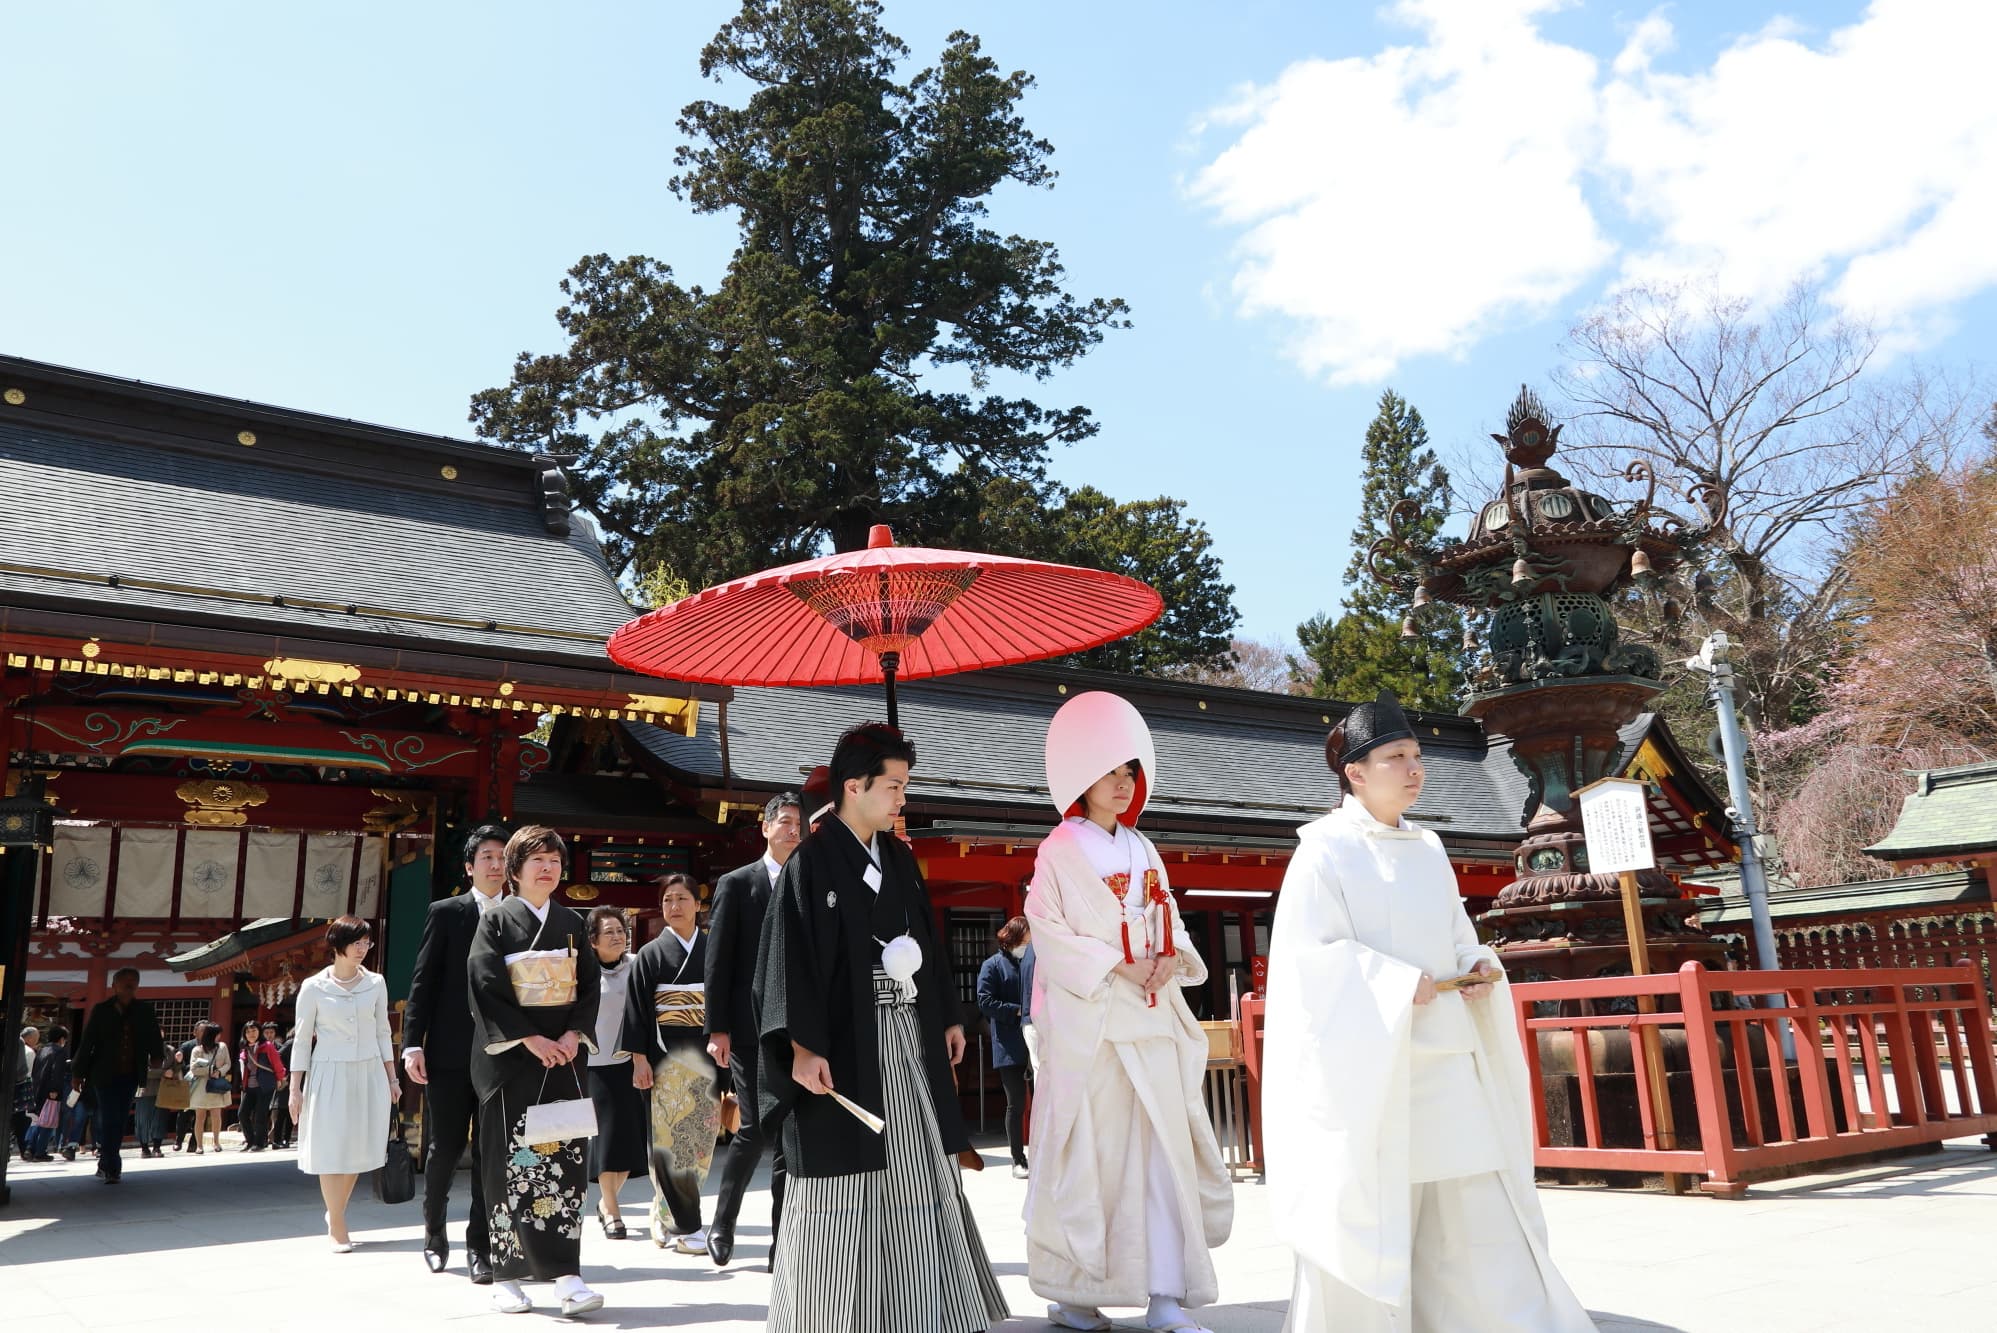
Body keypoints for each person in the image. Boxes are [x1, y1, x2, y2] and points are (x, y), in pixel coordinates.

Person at [1265, 691, 1595, 1332]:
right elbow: (1309, 959)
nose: (1414, 769)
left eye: (1417, 756)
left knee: (1474, 1203)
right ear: (1354, 772)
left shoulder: (1430, 846)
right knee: (1378, 1208)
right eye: (1396, 757)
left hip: (1443, 1051)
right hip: (1372, 1069)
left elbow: (1453, 930)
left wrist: (1475, 963)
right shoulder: (1323, 849)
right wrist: (1389, 982)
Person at [755, 722, 1009, 1333]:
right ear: (853, 786)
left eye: (904, 786)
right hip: (841, 1039)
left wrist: (945, 1013)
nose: (902, 799)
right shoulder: (811, 861)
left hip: (906, 1027)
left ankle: (924, 1308)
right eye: (893, 785)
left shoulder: (897, 856)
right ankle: (832, 1313)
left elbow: (925, 937)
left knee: (918, 1162)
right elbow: (788, 957)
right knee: (841, 1173)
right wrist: (802, 1045)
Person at [1024, 691, 1234, 1333]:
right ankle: (1077, 1294)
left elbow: (1166, 913)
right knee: (1095, 1157)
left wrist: (1170, 958)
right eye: (1112, 773)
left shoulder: (1143, 848)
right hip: (1096, 1032)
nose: (1123, 785)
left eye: (1129, 773)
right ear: (1081, 778)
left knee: (1160, 1157)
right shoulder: (1059, 848)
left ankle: (1166, 1293)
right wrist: (1117, 962)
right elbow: (1049, 930)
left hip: (1150, 1019)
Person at [466, 825, 604, 1318]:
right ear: (515, 868)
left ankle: (568, 1277)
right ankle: (507, 1275)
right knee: (510, 1165)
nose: (548, 868)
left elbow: (588, 986)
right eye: (537, 860)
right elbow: (485, 983)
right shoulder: (497, 922)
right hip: (514, 1062)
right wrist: (531, 1037)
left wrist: (570, 1036)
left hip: (565, 1060)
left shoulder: (571, 921)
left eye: (554, 860)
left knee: (564, 1166)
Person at [403, 824, 510, 1284]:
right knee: (445, 1148)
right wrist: (412, 1043)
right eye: (487, 856)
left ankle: (480, 1246)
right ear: (470, 867)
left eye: (503, 856)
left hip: (503, 1053)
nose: (496, 864)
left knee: (492, 1151)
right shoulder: (447, 913)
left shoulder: (521, 915)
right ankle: (432, 1232)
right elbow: (423, 981)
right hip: (449, 1050)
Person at [703, 790, 801, 1268]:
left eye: (797, 823)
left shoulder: (809, 881)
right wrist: (716, 1027)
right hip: (745, 1027)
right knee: (756, 1127)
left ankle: (783, 1240)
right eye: (783, 821)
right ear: (765, 828)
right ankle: (723, 1221)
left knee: (789, 1130)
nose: (791, 829)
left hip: (797, 1027)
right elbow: (717, 960)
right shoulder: (737, 883)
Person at [623, 872, 720, 1255]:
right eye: (667, 900)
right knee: (668, 1142)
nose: (674, 907)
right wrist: (639, 1060)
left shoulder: (713, 950)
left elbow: (726, 1004)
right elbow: (637, 1011)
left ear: (698, 904)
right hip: (664, 1057)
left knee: (700, 1143)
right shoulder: (650, 954)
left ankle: (663, 1210)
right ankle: (688, 1226)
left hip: (706, 1055)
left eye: (682, 899)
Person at [290, 915, 398, 1253]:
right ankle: (337, 1223)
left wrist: (392, 1077)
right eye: (357, 942)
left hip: (368, 1071)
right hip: (329, 1072)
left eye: (367, 942)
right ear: (337, 945)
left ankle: (335, 1211)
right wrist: (295, 1088)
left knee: (359, 1145)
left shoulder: (376, 983)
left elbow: (383, 1031)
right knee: (332, 1146)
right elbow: (302, 1040)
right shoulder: (314, 987)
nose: (363, 949)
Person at [582, 906, 647, 1239]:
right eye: (609, 932)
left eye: (621, 930)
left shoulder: (637, 966)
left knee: (627, 1142)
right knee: (606, 1140)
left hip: (631, 1064)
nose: (618, 936)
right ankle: (612, 1211)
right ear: (592, 940)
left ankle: (607, 1203)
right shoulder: (584, 972)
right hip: (595, 1065)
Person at [71, 967, 168, 1183]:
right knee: (108, 1118)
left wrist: (157, 1055)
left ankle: (107, 1162)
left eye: (133, 981)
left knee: (120, 1118)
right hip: (104, 1074)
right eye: (124, 981)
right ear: (114, 985)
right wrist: (78, 1073)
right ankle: (112, 1165)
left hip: (130, 1073)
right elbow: (88, 1042)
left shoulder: (144, 1010)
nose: (129, 985)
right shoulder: (102, 1010)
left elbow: (154, 1034)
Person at [975, 916, 1034, 1180]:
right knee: (1016, 1103)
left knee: (1044, 1102)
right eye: (1025, 941)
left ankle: (1044, 1155)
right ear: (1013, 939)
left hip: (1036, 1040)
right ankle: (1017, 1159)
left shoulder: (1033, 962)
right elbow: (984, 1001)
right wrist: (1017, 1011)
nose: (1028, 945)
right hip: (1008, 1043)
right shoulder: (992, 965)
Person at [179, 1021, 232, 1153]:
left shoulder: (222, 1047)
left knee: (216, 1115)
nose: (219, 1037)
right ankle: (199, 1145)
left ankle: (216, 1142)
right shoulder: (197, 1050)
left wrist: (219, 1072)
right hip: (201, 1086)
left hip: (216, 1083)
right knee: (200, 1116)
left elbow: (228, 1063)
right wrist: (209, 1070)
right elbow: (193, 1069)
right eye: (217, 1034)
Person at [236, 1019, 285, 1151]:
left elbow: (277, 1063)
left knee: (260, 1114)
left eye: (254, 1031)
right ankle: (250, 1140)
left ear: (259, 1032)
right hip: (249, 1085)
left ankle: (260, 1143)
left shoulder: (267, 1046)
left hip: (265, 1084)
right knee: (242, 1113)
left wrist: (280, 1078)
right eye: (248, 1031)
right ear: (244, 1034)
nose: (251, 1034)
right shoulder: (245, 1049)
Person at [23, 1025, 69, 1161]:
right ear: (61, 1039)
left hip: (38, 1089)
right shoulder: (60, 1052)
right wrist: (55, 1090)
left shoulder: (42, 1050)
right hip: (51, 1091)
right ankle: (40, 1152)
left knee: (38, 1120)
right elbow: (57, 1072)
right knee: (48, 1122)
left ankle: (29, 1148)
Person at [10, 1024, 37, 1161]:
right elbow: (23, 1071)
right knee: (19, 1121)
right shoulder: (25, 1048)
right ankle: (23, 1149)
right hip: (17, 1087)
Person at [267, 1024, 295, 1150]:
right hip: (287, 1079)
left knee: (288, 1111)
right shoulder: (291, 1043)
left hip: (292, 1079)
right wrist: (283, 1072)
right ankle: (280, 1139)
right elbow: (277, 1056)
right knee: (283, 1110)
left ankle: (284, 1139)